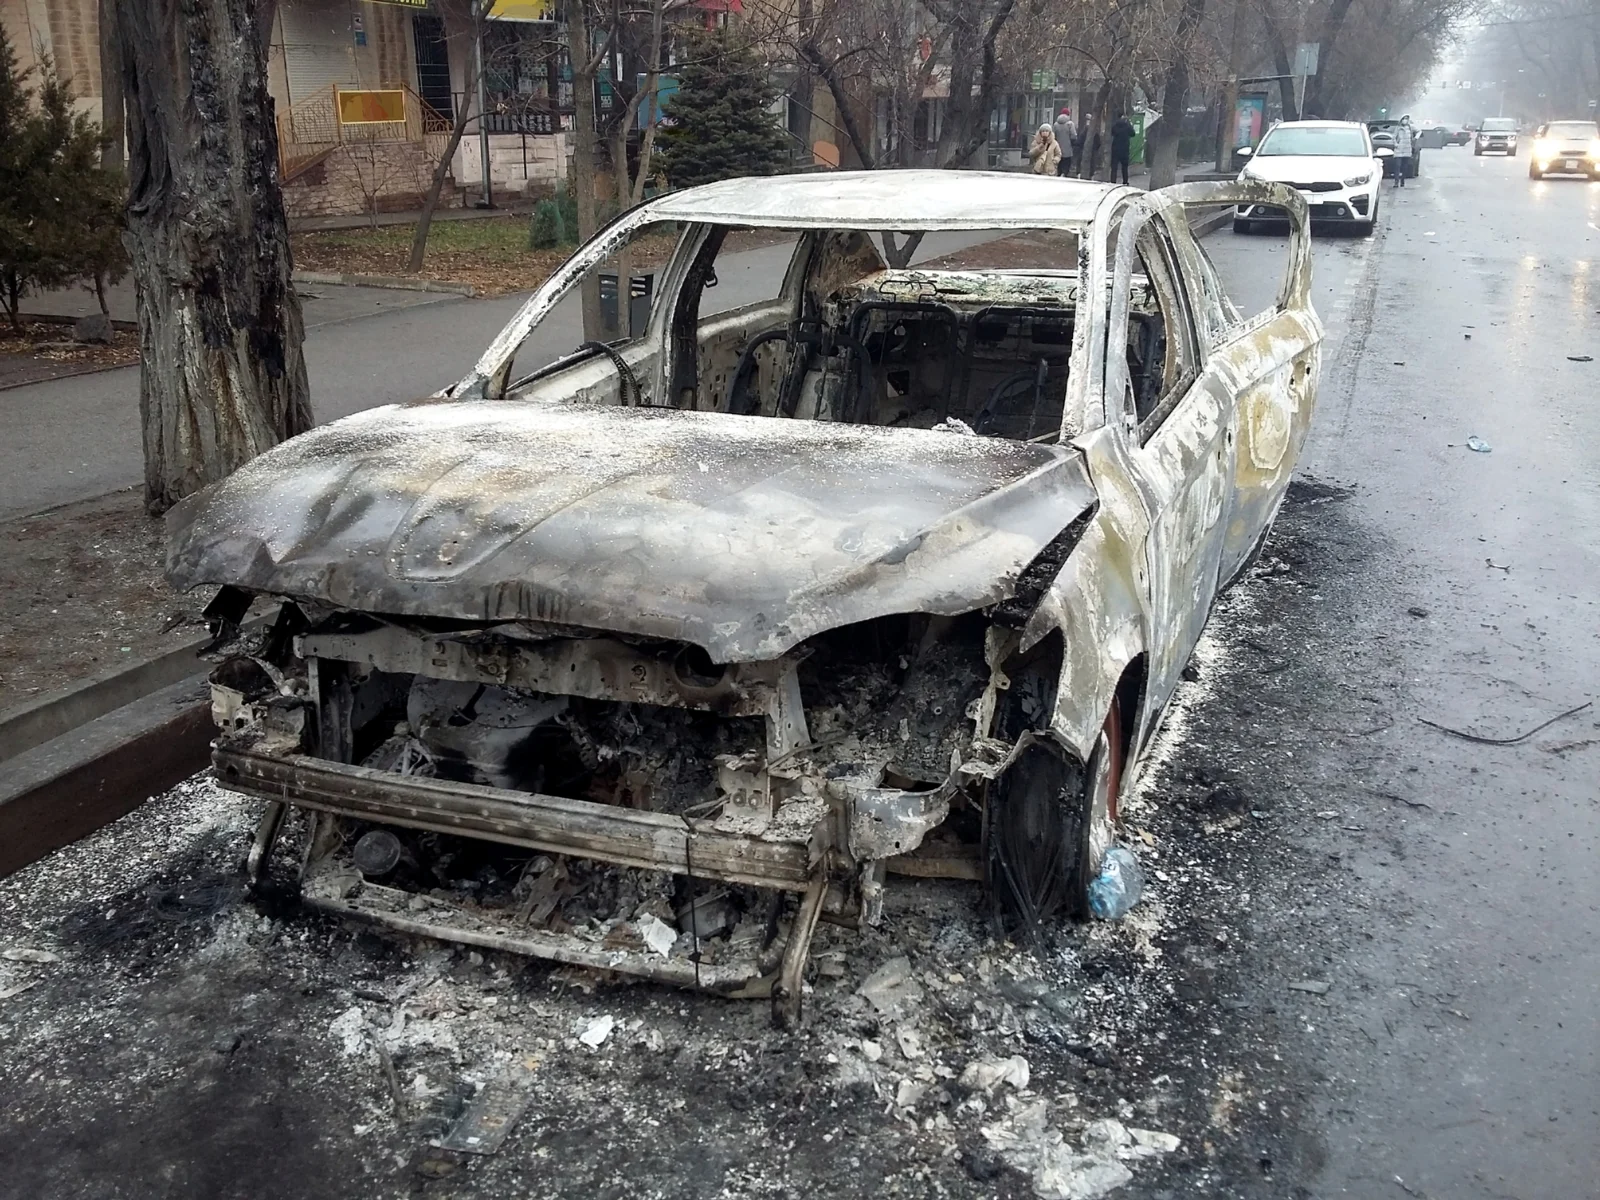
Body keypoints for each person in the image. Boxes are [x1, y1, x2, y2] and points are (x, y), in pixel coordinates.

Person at [1109, 113, 1136, 185]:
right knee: (1124, 167)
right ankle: (1125, 181)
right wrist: (1129, 124)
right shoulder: (1127, 125)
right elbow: (1133, 134)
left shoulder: (1115, 125)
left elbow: (1112, 133)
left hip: (1115, 148)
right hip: (1124, 149)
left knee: (1114, 167)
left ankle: (1113, 182)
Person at [1052, 109, 1076, 177]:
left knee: (1059, 161)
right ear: (1068, 114)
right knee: (1067, 163)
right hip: (1068, 148)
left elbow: (1053, 136)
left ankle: (1059, 173)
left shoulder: (1055, 124)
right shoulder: (1070, 124)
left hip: (1057, 147)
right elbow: (1073, 136)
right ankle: (1064, 174)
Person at [1393, 120, 1413, 187]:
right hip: (1399, 150)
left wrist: (1416, 138)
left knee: (1405, 167)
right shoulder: (1398, 128)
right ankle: (1396, 182)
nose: (1405, 120)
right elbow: (1394, 137)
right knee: (1397, 166)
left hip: (1407, 150)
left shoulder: (1410, 127)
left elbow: (1419, 132)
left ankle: (1402, 181)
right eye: (1404, 118)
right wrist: (1396, 144)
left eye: (1407, 119)